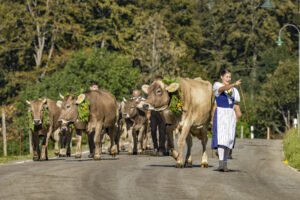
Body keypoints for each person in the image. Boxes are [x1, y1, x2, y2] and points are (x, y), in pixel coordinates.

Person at [211, 69, 241, 172]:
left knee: (229, 139)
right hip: (221, 114)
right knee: (222, 138)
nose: (228, 79)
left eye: (230, 77)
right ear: (222, 77)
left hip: (230, 114)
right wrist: (233, 84)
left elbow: (236, 103)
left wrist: (238, 113)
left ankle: (225, 163)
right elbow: (223, 88)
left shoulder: (234, 90)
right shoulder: (217, 85)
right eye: (227, 77)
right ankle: (220, 163)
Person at [147, 76, 167, 156]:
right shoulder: (152, 89)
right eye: (156, 81)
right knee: (153, 129)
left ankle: (162, 148)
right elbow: (149, 100)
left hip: (163, 111)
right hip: (154, 111)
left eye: (159, 81)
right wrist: (148, 112)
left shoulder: (165, 89)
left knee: (162, 131)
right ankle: (155, 146)